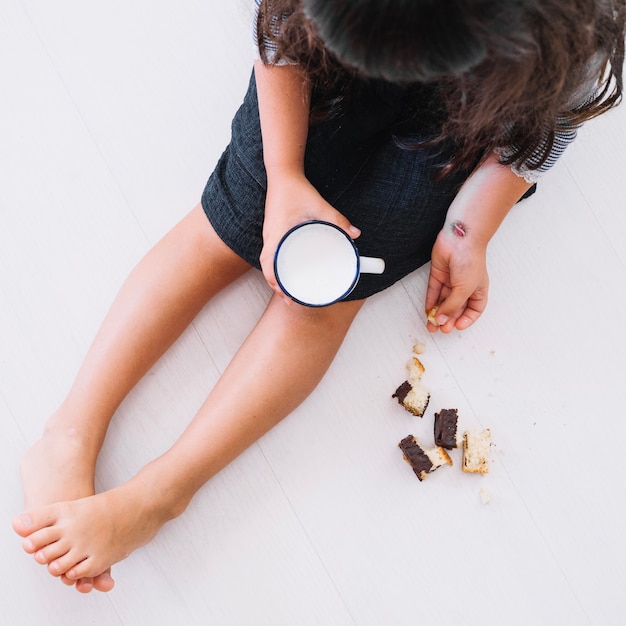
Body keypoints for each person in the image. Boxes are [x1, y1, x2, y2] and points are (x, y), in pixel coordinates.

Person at [12, 0, 624, 593]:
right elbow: (278, 31)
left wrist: (470, 229)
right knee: (228, 228)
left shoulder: (575, 27)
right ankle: (70, 431)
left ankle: (162, 493)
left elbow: (546, 125)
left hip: (480, 107)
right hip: (318, 59)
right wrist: (283, 174)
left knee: (329, 292)